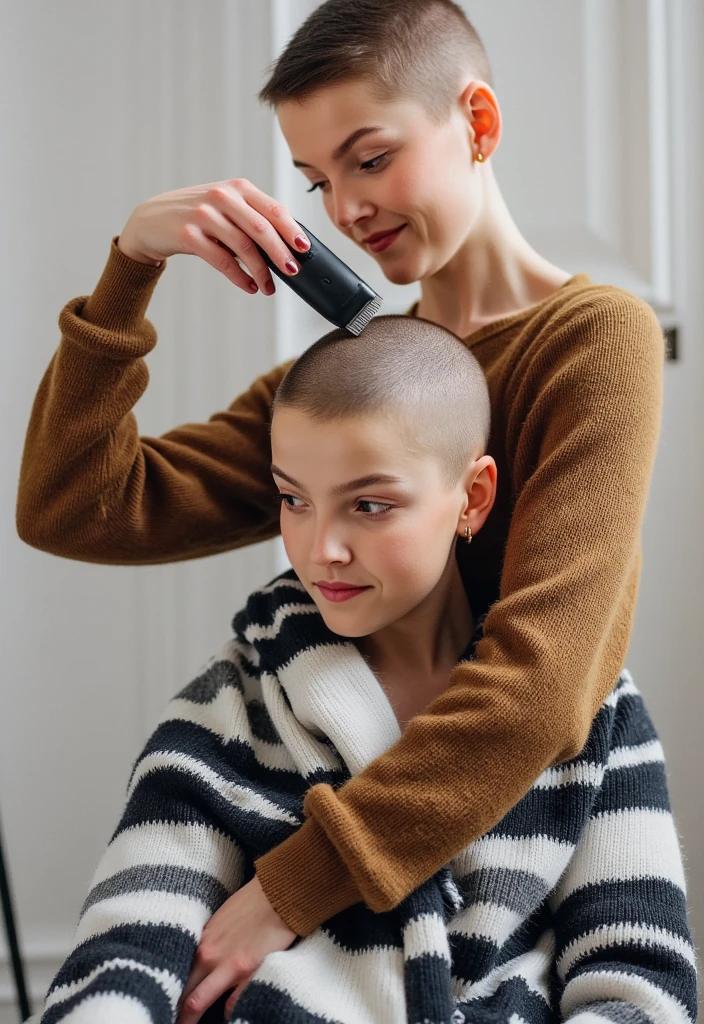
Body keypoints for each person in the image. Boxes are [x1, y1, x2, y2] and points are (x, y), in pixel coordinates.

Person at [16, 0, 668, 1014]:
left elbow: (546, 679)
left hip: (516, 846)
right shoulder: (358, 376)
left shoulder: (594, 341)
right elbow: (77, 506)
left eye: (369, 159)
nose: (345, 209)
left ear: (479, 123)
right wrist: (131, 266)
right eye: (318, 181)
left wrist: (291, 888)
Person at [34, 318, 696, 1024]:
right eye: (294, 500)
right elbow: (123, 954)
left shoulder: (601, 720)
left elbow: (640, 989)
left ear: (471, 498)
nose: (322, 549)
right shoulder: (232, 705)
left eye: (369, 505)